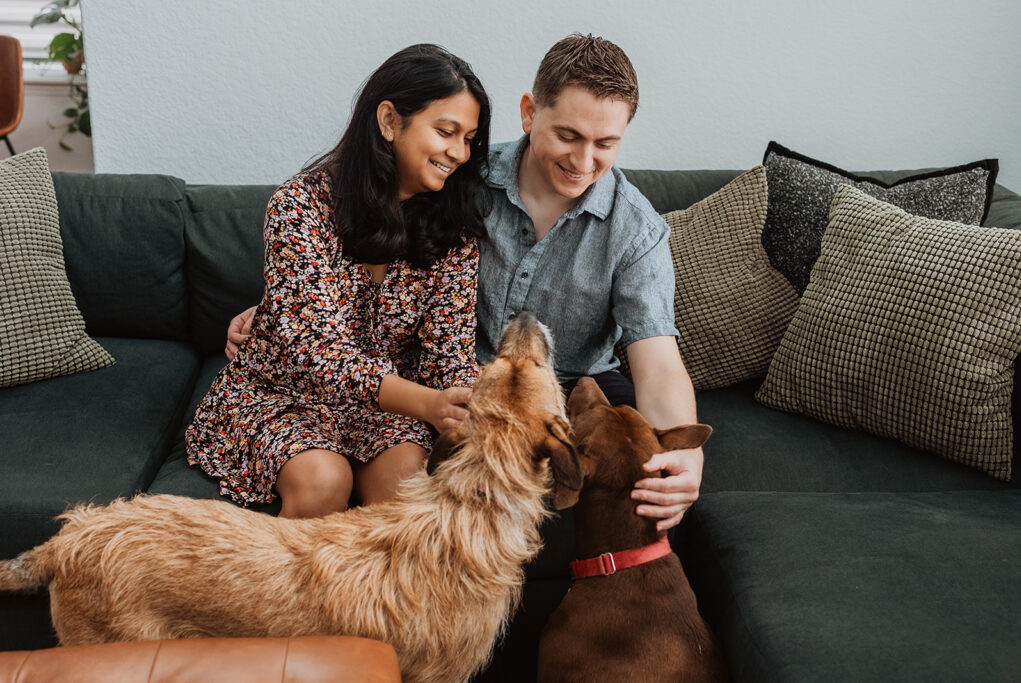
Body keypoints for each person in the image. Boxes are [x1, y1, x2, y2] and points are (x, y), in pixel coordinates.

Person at [227, 34, 704, 531]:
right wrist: (275, 311)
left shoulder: (633, 229)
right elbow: (339, 265)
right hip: (443, 383)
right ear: (529, 113)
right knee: (354, 483)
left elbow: (659, 366)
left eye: (605, 144)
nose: (584, 162)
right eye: (568, 136)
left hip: (550, 384)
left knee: (632, 479)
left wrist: (683, 452)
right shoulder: (459, 183)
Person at [186, 44, 491, 519]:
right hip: (283, 393)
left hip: (385, 408)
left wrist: (470, 407)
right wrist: (430, 403)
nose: (459, 152)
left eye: (469, 138)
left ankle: (375, 598)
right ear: (389, 120)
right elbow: (314, 351)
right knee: (324, 481)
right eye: (446, 131)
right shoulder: (300, 206)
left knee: (408, 490)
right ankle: (278, 595)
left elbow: (447, 356)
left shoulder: (455, 230)